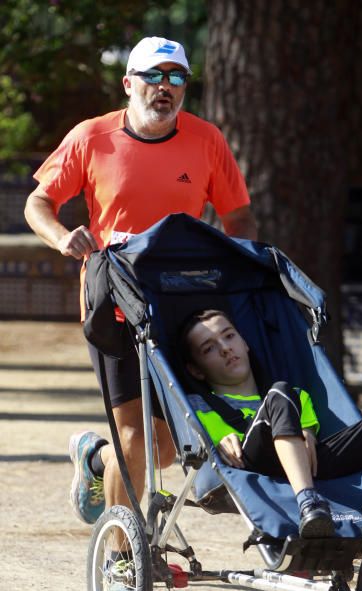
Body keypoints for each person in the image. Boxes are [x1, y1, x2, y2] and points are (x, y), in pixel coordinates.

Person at [24, 37, 258, 550]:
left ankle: (94, 457)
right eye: (154, 76)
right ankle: (122, 559)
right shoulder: (93, 137)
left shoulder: (206, 140)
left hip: (178, 300)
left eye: (177, 78)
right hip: (113, 302)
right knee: (137, 439)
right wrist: (64, 237)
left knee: (165, 447)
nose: (165, 88)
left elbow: (235, 213)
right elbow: (38, 202)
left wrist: (235, 263)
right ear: (129, 82)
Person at [179, 309, 362, 539]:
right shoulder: (196, 406)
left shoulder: (295, 395)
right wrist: (218, 437)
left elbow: (308, 436)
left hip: (311, 460)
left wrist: (306, 431)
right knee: (279, 393)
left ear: (245, 342)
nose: (225, 348)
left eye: (229, 336)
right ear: (196, 370)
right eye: (209, 348)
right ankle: (308, 502)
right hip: (253, 462)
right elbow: (208, 437)